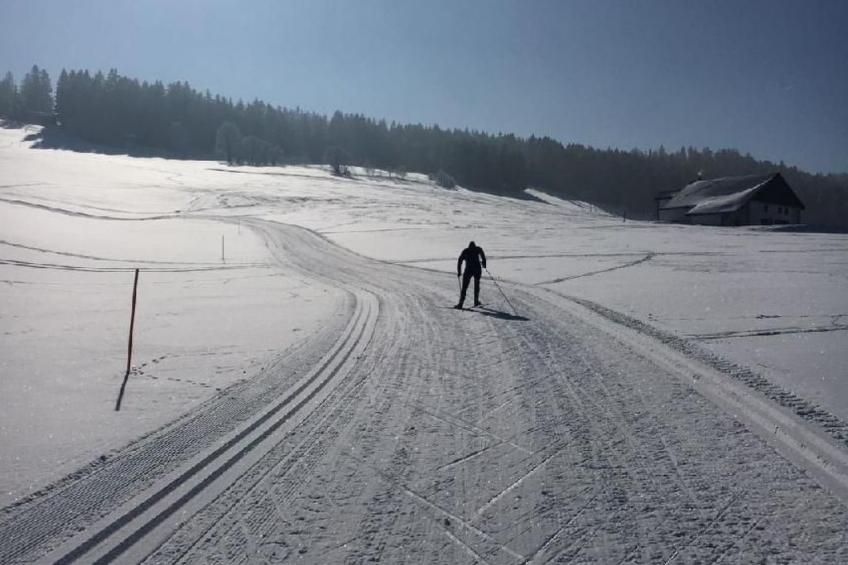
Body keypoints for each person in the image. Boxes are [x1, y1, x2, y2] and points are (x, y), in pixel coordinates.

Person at [455, 241, 486, 309]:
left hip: (468, 270)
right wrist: (484, 265)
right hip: (477, 270)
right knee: (477, 285)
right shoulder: (478, 249)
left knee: (464, 287)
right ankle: (476, 301)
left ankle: (461, 303)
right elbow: (483, 256)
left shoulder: (466, 251)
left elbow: (460, 260)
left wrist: (459, 272)